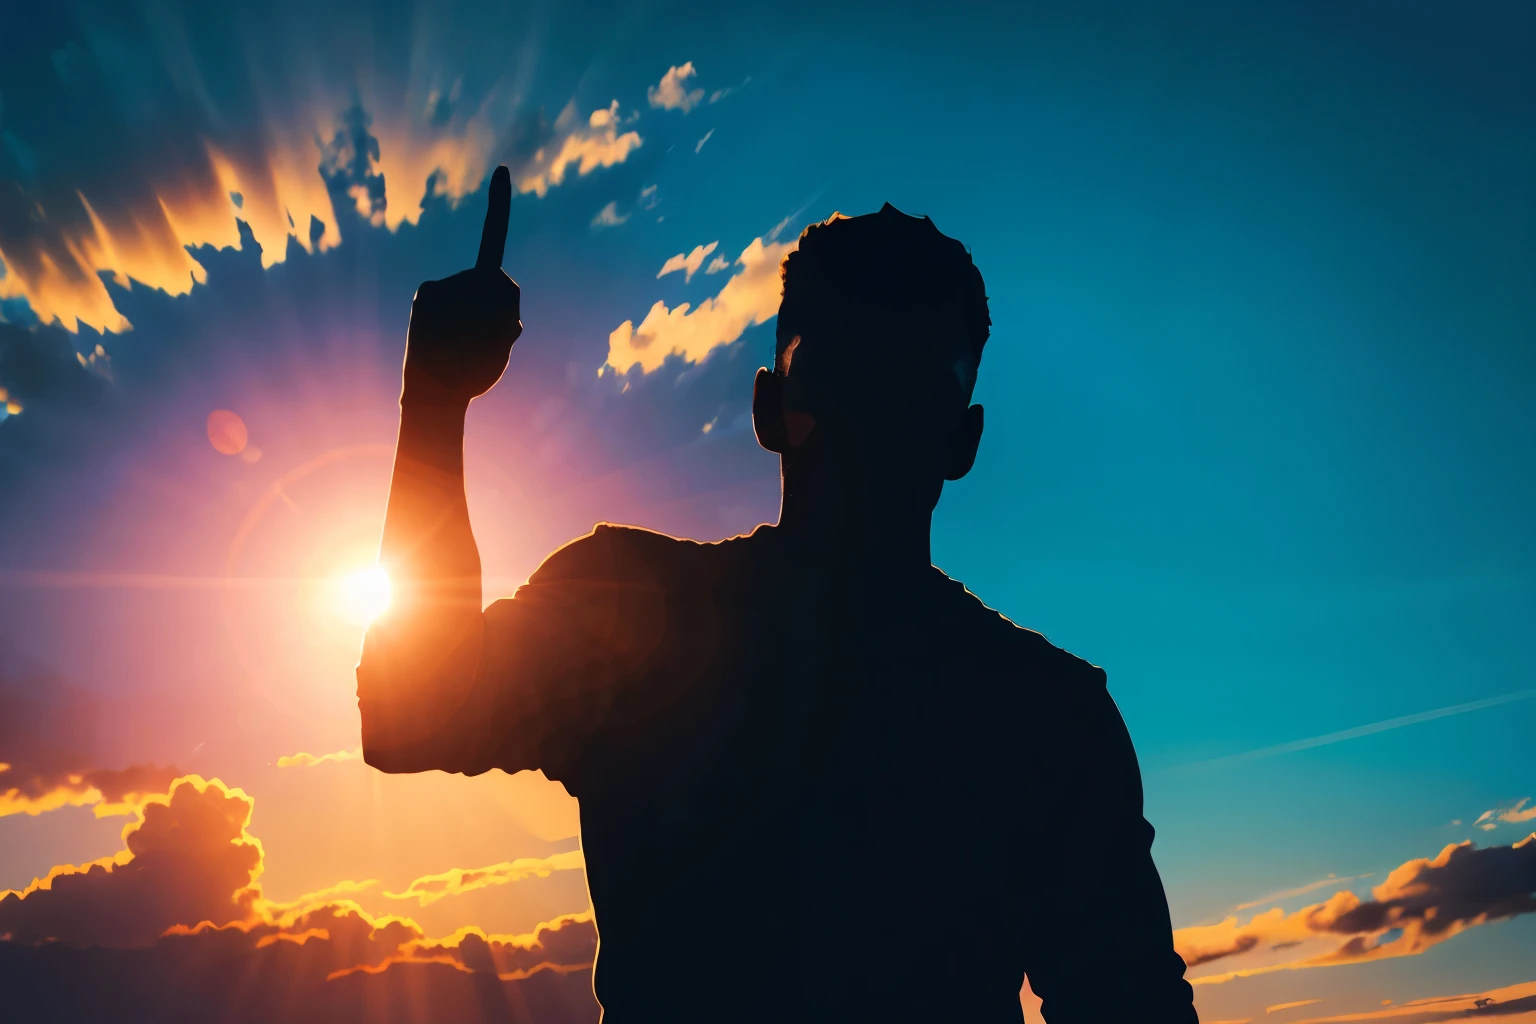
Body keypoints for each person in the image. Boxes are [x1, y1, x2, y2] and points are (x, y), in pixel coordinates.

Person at [357, 165, 1199, 1023]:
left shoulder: (637, 618)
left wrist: (433, 398)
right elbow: (410, 715)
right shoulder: (1046, 713)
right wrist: (430, 399)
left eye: (904, 385)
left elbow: (414, 708)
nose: (870, 417)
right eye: (841, 375)